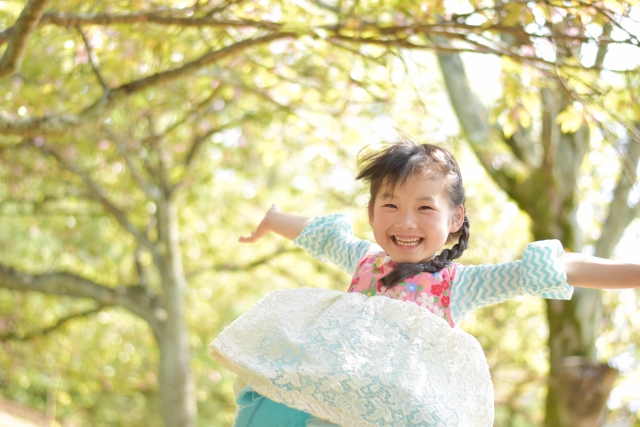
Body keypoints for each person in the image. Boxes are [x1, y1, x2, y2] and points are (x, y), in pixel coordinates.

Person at [210, 138, 640, 427]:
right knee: (278, 402)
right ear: (372, 213)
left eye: (425, 208)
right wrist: (274, 219)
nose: (405, 221)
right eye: (391, 205)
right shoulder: (364, 259)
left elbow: (559, 268)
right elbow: (321, 234)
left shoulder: (460, 284)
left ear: (455, 218)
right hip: (330, 397)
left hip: (393, 412)